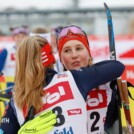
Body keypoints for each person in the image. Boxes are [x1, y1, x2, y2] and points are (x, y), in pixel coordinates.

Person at [0, 35, 125, 134]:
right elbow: (117, 67)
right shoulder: (74, 78)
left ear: (20, 64)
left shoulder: (16, 99)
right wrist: (88, 71)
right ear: (52, 59)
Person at [56, 25, 122, 134]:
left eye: (79, 48)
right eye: (67, 51)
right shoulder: (56, 85)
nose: (74, 55)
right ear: (61, 59)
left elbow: (111, 125)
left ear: (88, 52)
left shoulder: (106, 82)